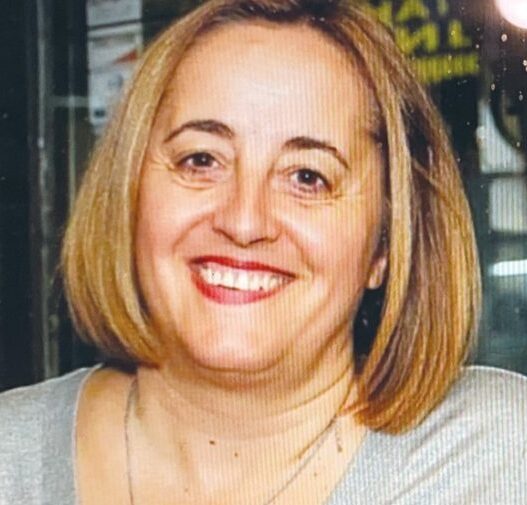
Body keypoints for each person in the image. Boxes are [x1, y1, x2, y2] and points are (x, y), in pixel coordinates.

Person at [1, 0, 526, 503]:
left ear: (384, 244)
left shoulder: (499, 458)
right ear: (129, 196)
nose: (244, 221)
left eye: (308, 177)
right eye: (201, 160)